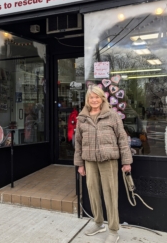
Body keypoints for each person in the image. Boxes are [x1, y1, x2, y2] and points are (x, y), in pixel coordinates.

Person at [74, 85, 133, 243]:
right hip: (90, 161)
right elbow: (78, 143)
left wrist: (126, 161)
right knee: (93, 193)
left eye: (96, 97)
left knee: (110, 194)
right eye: (91, 98)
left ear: (102, 98)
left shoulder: (112, 116)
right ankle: (98, 223)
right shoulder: (82, 118)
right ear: (87, 100)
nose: (94, 100)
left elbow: (122, 138)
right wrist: (80, 164)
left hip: (109, 160)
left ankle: (113, 230)